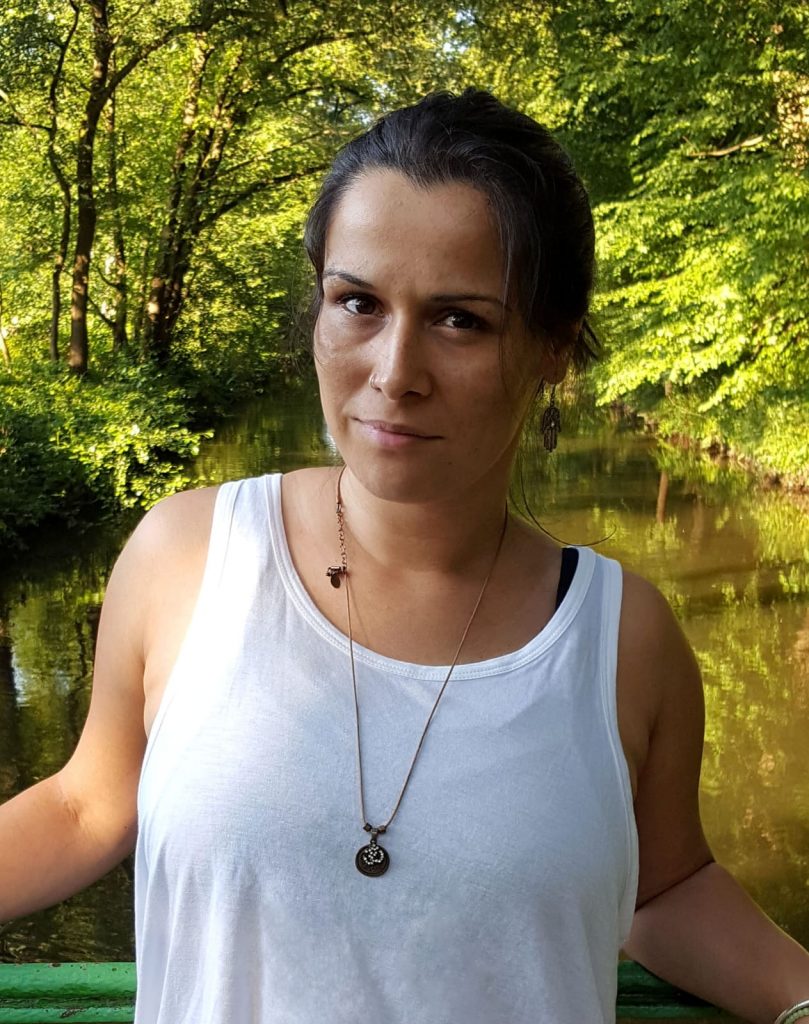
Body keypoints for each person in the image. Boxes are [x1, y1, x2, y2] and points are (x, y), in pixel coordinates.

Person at [1, 88, 808, 1024]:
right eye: (358, 303)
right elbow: (89, 805)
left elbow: (663, 888)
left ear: (551, 349)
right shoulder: (187, 555)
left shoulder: (622, 639)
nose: (394, 373)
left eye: (460, 319)